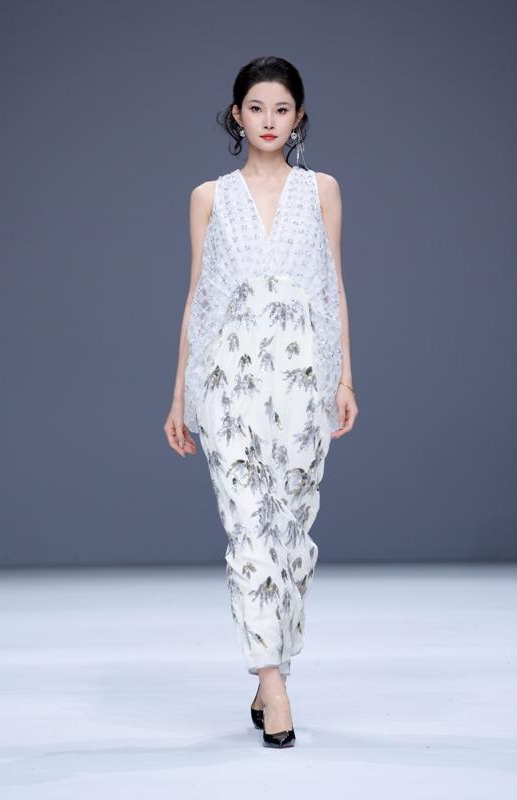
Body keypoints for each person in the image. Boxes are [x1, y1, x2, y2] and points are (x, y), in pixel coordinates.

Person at [163, 56, 358, 748]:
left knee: (292, 531)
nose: (268, 121)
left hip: (303, 378)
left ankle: (272, 661)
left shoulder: (322, 190)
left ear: (298, 116)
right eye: (255, 108)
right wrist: (179, 395)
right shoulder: (208, 197)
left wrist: (345, 379)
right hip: (229, 380)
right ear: (236, 115)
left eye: (281, 109)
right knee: (248, 525)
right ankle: (272, 683)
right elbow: (199, 296)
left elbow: (333, 287)